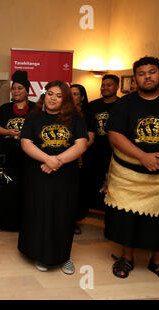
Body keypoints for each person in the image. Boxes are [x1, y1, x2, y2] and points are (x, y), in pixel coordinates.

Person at [18, 80, 88, 274]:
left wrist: (57, 161)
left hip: (65, 176)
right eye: (50, 94)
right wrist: (47, 159)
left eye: (58, 95)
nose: (53, 98)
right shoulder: (34, 117)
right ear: (44, 95)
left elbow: (81, 145)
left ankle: (64, 256)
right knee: (40, 213)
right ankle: (40, 254)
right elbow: (26, 143)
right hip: (38, 174)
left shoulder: (76, 119)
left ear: (65, 99)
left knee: (63, 214)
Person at [104, 56, 159, 280]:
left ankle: (157, 261)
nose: (147, 76)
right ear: (135, 79)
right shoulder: (124, 104)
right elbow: (115, 135)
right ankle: (126, 258)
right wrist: (144, 157)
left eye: (152, 71)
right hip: (129, 174)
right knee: (127, 219)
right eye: (141, 73)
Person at [0, 70, 35, 232]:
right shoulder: (4, 108)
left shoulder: (36, 109)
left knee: (25, 190)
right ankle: (1, 221)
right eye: (14, 88)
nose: (16, 91)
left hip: (27, 160)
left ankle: (24, 223)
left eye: (19, 88)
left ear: (27, 91)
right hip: (6, 159)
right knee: (4, 190)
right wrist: (8, 132)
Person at [84, 74, 120, 211]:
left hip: (114, 150)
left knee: (111, 182)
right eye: (103, 85)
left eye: (109, 85)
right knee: (93, 181)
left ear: (117, 86)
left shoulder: (122, 105)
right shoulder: (92, 106)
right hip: (93, 149)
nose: (105, 88)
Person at [70, 84, 96, 234]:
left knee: (78, 190)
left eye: (75, 94)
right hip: (62, 156)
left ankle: (74, 221)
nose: (72, 96)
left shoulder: (88, 114)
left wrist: (78, 152)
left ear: (82, 97)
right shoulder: (61, 112)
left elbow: (90, 138)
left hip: (83, 157)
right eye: (69, 93)